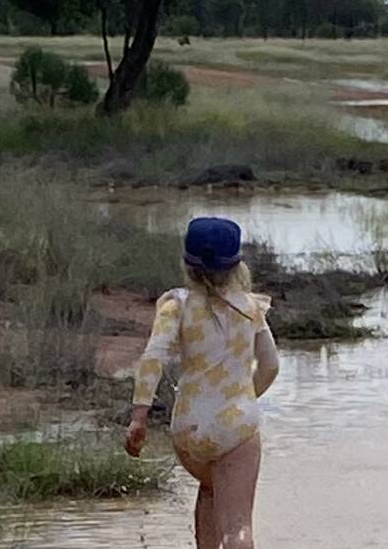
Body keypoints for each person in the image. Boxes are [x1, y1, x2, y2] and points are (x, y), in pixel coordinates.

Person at [125, 217, 280, 549]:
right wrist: (246, 397)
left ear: (187, 264)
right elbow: (270, 365)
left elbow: (154, 358)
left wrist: (139, 416)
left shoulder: (176, 305)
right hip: (235, 426)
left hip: (188, 427)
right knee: (238, 527)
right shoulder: (249, 307)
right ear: (237, 264)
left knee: (211, 491)